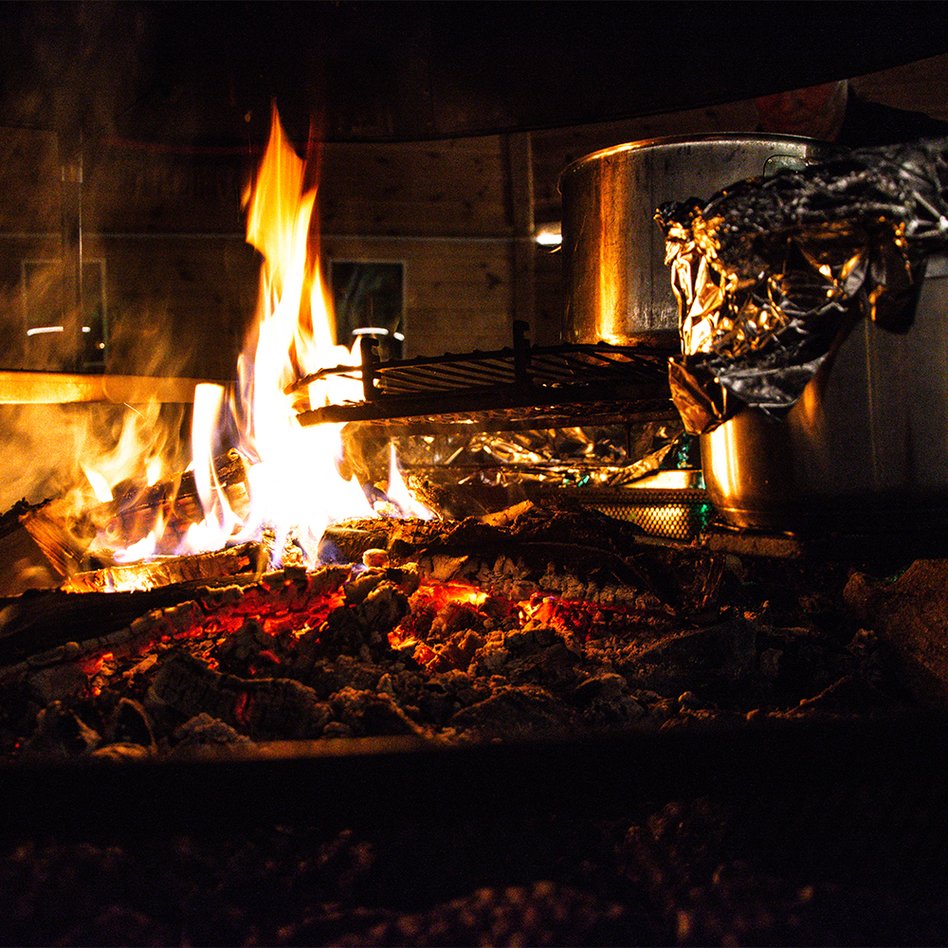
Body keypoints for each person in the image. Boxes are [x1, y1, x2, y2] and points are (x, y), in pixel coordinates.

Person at [754, 79, 948, 147]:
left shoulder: (927, 150)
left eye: (807, 79)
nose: (787, 104)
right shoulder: (734, 170)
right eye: (768, 82)